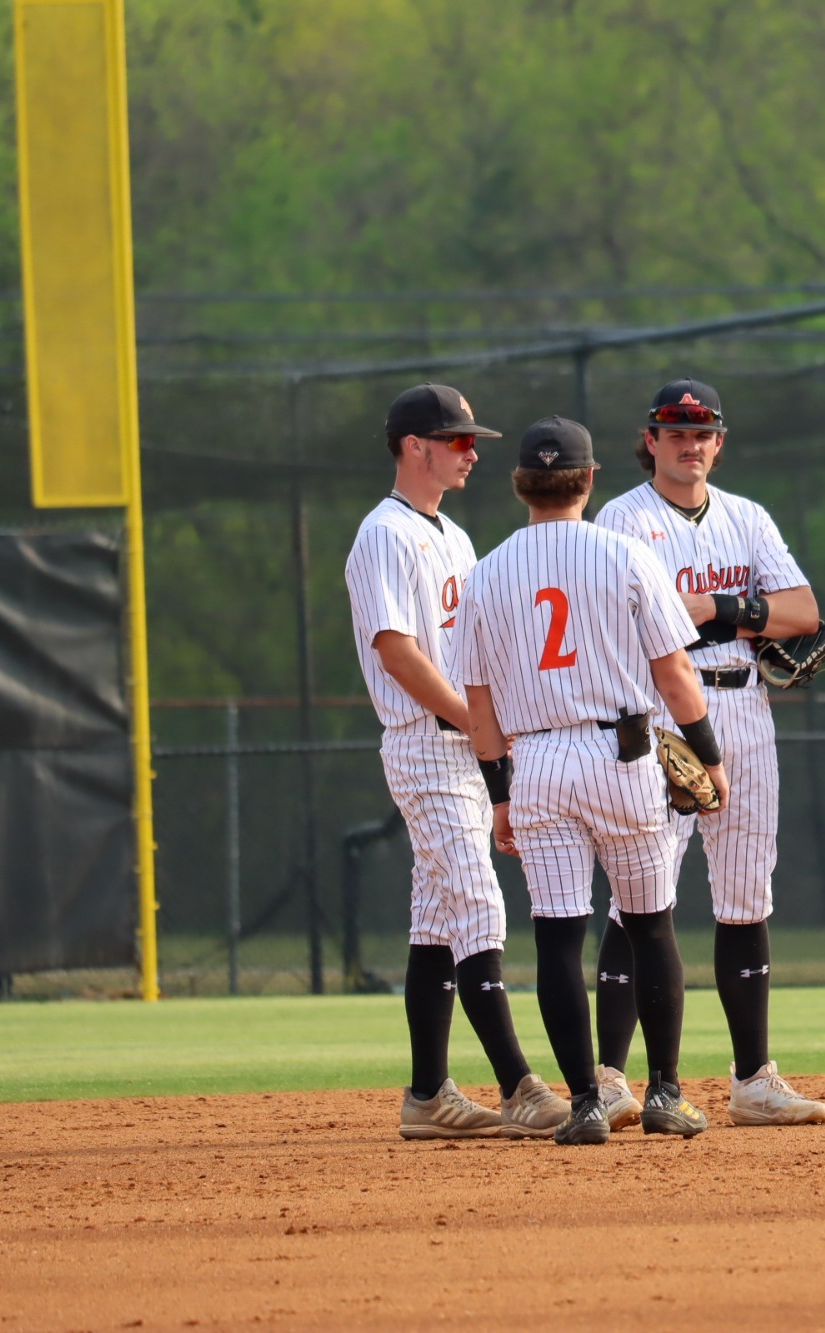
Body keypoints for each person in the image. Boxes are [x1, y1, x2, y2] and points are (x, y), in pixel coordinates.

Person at [456, 416, 726, 1146]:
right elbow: (673, 672)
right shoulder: (627, 554)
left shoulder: (486, 572)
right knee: (648, 924)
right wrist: (709, 752)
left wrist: (499, 794)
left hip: (538, 762)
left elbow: (478, 704)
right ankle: (664, 1090)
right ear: (589, 478)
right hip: (622, 754)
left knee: (556, 937)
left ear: (521, 485)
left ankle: (583, 1103)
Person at [591, 379, 825, 1128]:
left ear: (718, 443)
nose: (690, 444)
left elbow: (805, 610)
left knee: (746, 894)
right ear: (651, 440)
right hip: (663, 708)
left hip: (745, 708)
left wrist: (724, 609)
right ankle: (607, 1077)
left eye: (703, 432)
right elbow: (615, 620)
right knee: (639, 891)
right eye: (676, 431)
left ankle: (753, 1078)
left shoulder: (746, 518)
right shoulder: (621, 519)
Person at [342, 383, 571, 1141]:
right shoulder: (383, 534)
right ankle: (519, 1086)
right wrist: (475, 722)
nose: (473, 451)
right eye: (458, 439)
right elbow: (396, 649)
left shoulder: (455, 537)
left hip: (463, 746)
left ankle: (429, 1093)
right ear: (415, 446)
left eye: (473, 440)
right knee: (479, 905)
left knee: (437, 919)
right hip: (424, 741)